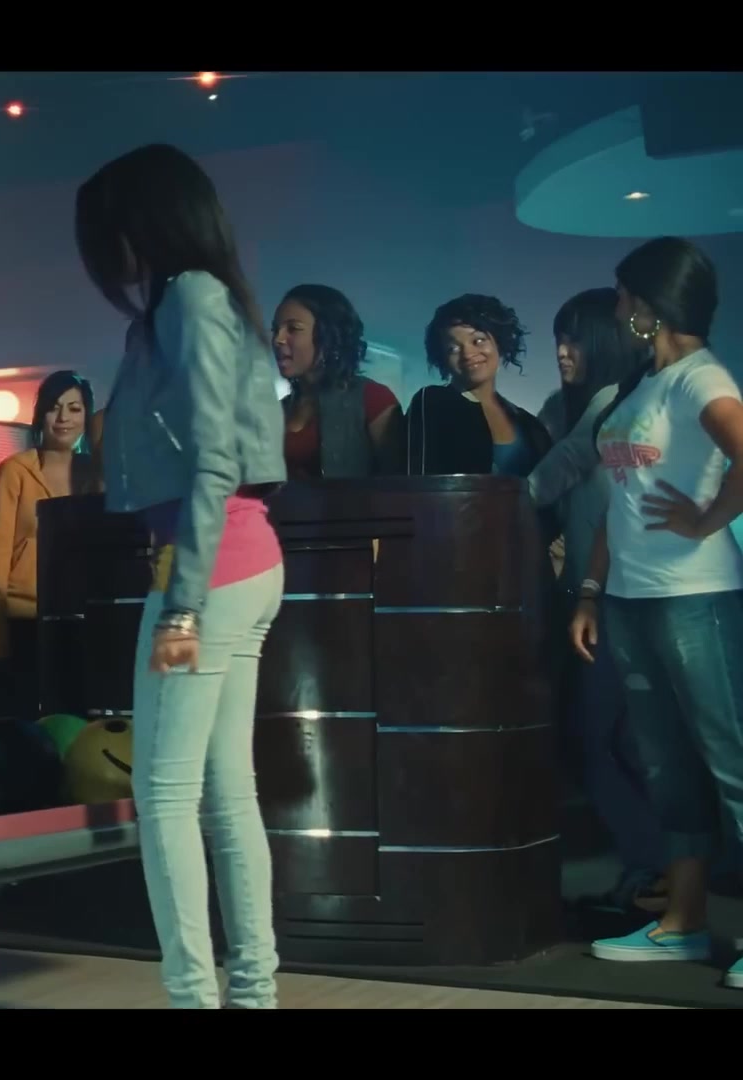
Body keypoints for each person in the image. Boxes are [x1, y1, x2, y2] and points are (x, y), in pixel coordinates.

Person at [75, 143, 288, 1010]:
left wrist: (182, 604)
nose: (108, 260)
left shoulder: (191, 299)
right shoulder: (200, 298)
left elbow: (213, 459)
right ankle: (253, 995)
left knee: (165, 794)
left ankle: (196, 997)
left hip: (206, 565)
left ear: (142, 223)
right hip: (237, 557)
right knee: (226, 794)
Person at [567, 237, 743, 991]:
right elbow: (621, 504)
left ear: (650, 300)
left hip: (695, 597)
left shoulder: (701, 378)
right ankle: (683, 923)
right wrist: (590, 590)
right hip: (633, 603)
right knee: (668, 768)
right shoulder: (647, 383)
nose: (617, 307)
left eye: (622, 294)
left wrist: (706, 520)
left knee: (731, 760)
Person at [523, 287, 663, 915]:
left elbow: (557, 472)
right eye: (559, 337)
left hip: (617, 598)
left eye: (574, 338)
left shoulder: (612, 403)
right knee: (615, 740)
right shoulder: (567, 407)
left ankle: (656, 869)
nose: (562, 351)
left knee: (603, 740)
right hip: (596, 596)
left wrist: (489, 503)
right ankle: (655, 870)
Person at [0, 370, 100, 718]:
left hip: (84, 619)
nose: (63, 418)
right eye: (54, 407)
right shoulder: (15, 471)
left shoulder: (95, 474)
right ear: (40, 414)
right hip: (26, 619)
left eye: (74, 408)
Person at [404, 294, 553, 477]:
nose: (468, 354)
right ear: (443, 358)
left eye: (478, 340)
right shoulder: (432, 404)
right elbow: (418, 482)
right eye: (453, 348)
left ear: (499, 342)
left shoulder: (530, 425)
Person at [273, 284, 401, 479]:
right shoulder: (276, 410)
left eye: (293, 329)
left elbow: (400, 484)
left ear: (329, 335)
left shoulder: (373, 399)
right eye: (275, 329)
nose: (278, 339)